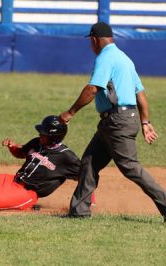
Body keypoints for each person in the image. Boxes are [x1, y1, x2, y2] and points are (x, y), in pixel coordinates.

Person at [59, 22, 166, 219]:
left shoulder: (105, 58)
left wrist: (70, 112)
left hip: (117, 121)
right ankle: (79, 212)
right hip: (116, 121)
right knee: (89, 163)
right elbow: (140, 94)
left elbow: (92, 88)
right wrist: (145, 122)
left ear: (94, 39)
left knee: (130, 167)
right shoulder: (125, 59)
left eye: (90, 42)